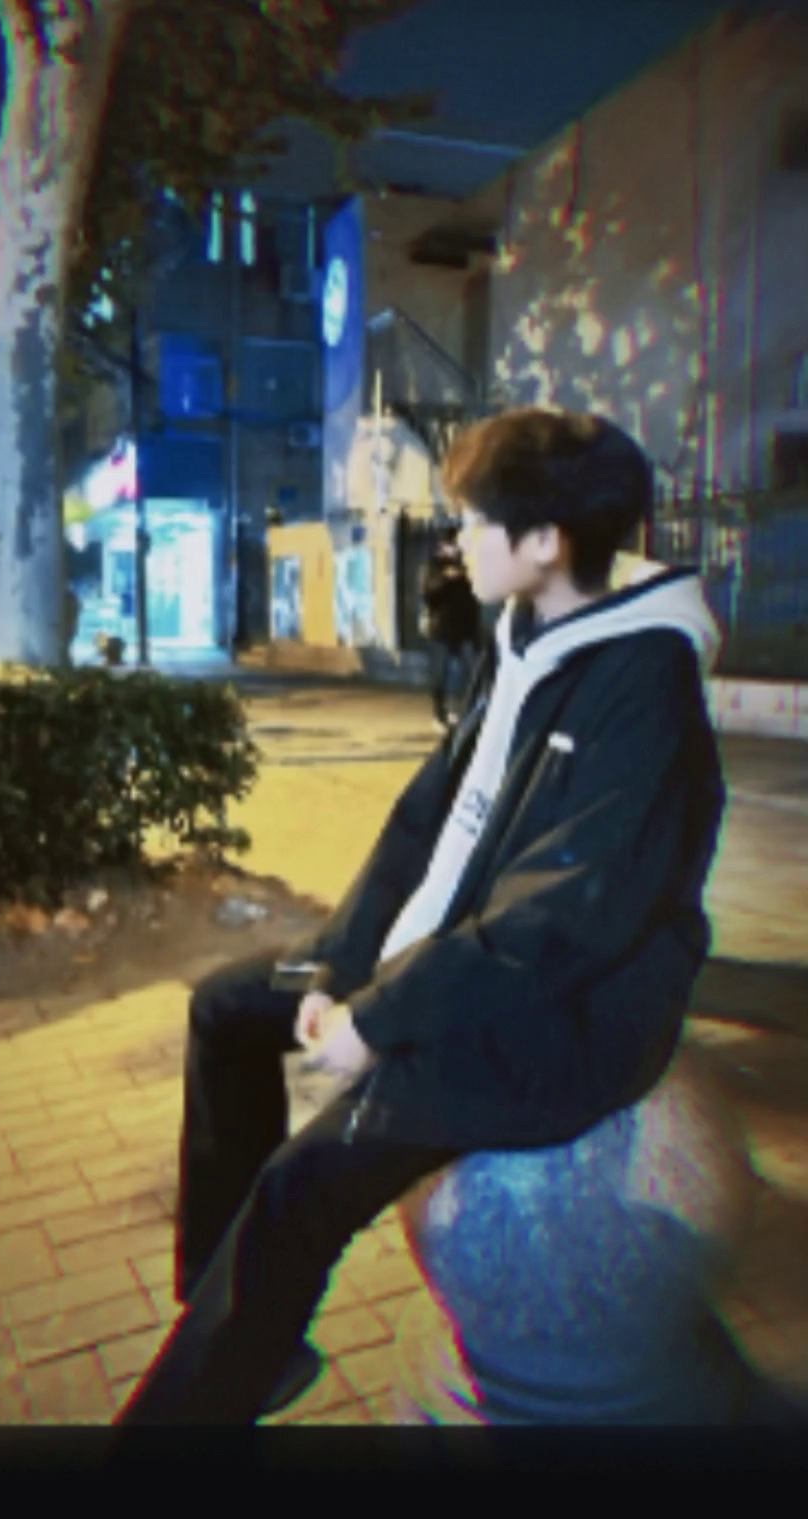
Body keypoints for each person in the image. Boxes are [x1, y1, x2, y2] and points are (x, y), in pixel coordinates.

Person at [109, 407, 727, 1430]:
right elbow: (423, 825)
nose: (456, 538)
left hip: (555, 1020)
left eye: (476, 519)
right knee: (226, 1009)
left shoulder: (643, 682)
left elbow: (564, 918)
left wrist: (380, 1019)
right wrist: (336, 968)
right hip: (442, 964)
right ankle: (246, 1340)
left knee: (300, 1189)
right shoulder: (524, 639)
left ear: (545, 540)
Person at [420, 525, 483, 728]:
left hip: (465, 627)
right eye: (452, 544)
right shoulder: (434, 566)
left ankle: (463, 710)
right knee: (441, 673)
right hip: (442, 628)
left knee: (470, 671)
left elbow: (475, 596)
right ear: (443, 546)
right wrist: (445, 579)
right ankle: (439, 713)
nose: (455, 548)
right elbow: (427, 594)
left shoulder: (466, 565)